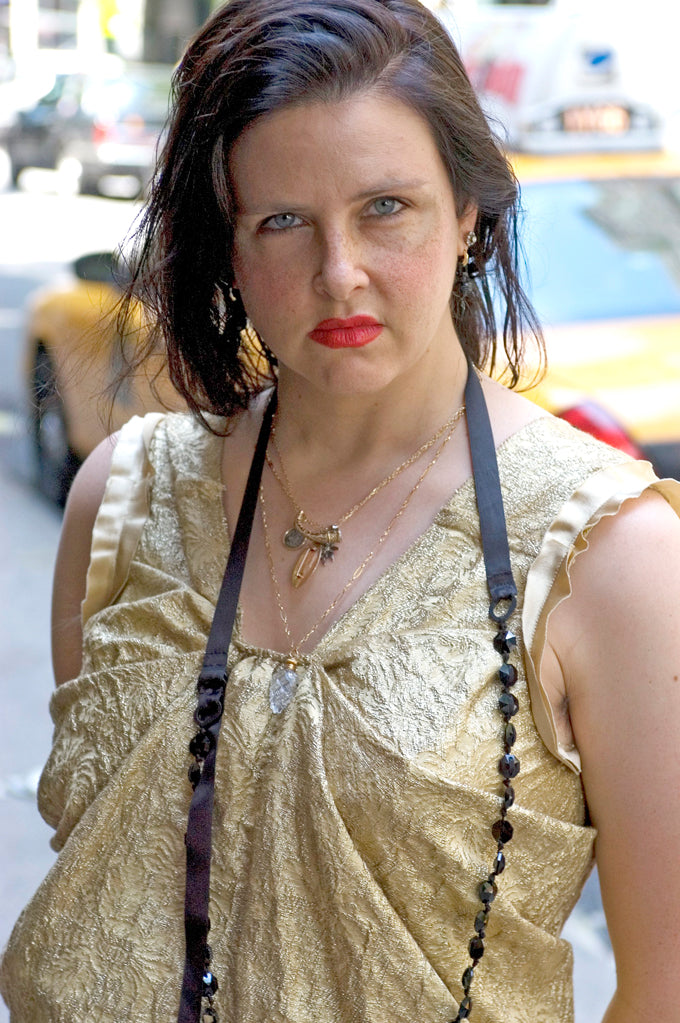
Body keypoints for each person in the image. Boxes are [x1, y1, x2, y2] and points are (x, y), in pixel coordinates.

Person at [2, 1, 680, 1020]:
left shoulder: (609, 555)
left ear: (466, 216)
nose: (339, 273)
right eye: (281, 221)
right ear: (226, 253)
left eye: (385, 208)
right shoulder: (122, 501)